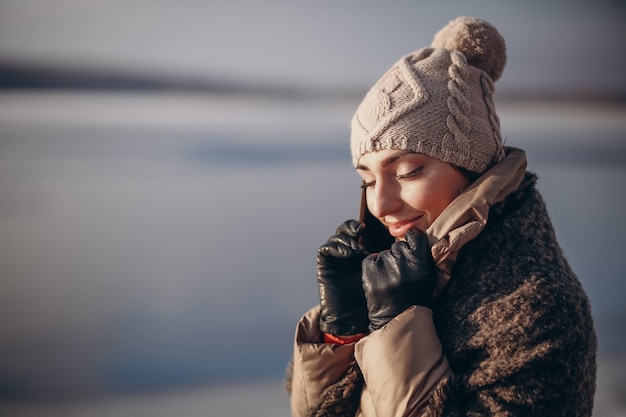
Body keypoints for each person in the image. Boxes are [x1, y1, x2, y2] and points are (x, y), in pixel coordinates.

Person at [286, 16, 597, 417]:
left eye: (408, 172)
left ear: (473, 167)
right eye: (367, 180)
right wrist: (343, 330)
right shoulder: (402, 275)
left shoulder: (537, 308)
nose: (381, 205)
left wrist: (398, 327)